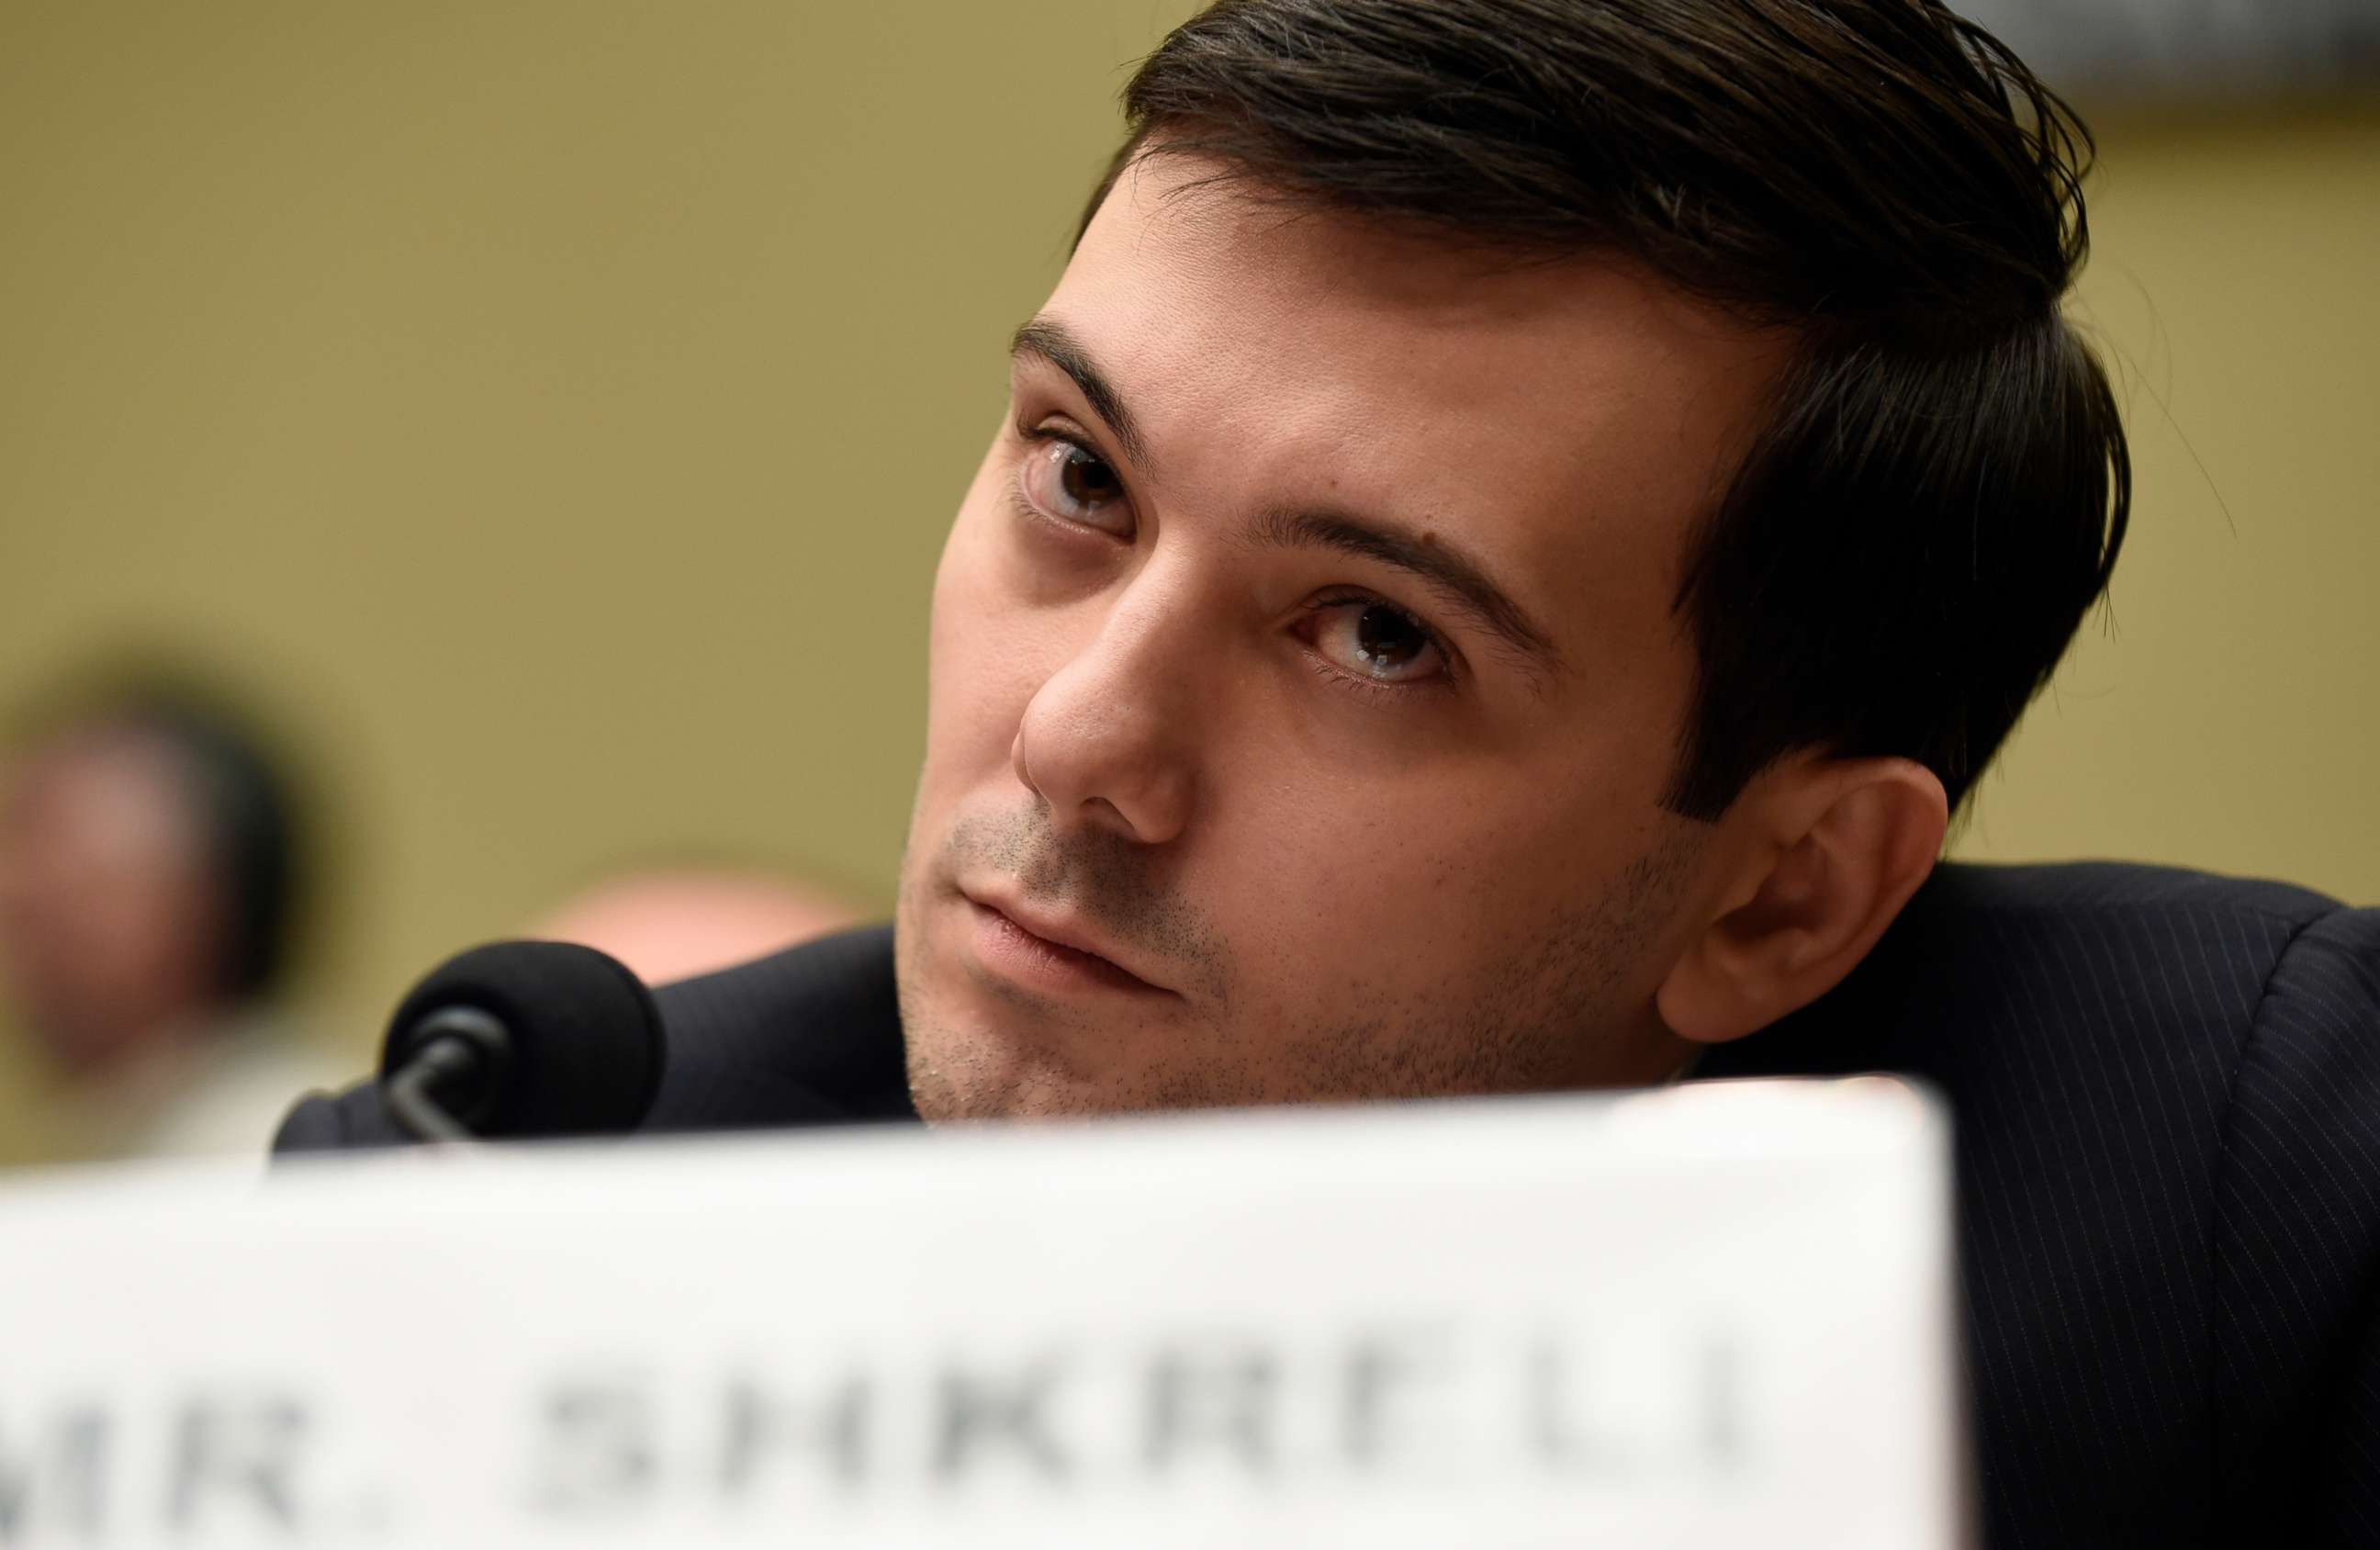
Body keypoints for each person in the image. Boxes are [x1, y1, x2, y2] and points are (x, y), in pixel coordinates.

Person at [280, 3, 2380, 1543]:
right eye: (1080, 479)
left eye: (1380, 634)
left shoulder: (2242, 1228)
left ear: (1782, 892)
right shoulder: (492, 1232)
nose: (1078, 734)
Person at [0, 676, 343, 1161]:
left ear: (198, 901)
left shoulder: (272, 1155)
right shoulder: (143, 1142)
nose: (10, 891)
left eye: (45, 842)